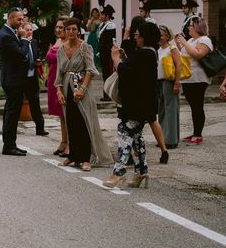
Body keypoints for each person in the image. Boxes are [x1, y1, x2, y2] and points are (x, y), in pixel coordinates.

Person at [103, 22, 160, 188]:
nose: (135, 37)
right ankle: (141, 170)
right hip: (142, 104)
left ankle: (118, 171)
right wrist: (125, 58)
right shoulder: (149, 53)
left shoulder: (144, 54)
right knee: (136, 137)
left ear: (144, 36)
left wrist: (115, 58)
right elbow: (134, 70)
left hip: (136, 105)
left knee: (124, 133)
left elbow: (126, 71)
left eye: (137, 34)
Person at [56, 18, 112, 171]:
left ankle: (86, 157)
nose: (71, 32)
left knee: (84, 120)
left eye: (74, 29)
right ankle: (73, 155)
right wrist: (59, 90)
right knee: (71, 121)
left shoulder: (85, 47)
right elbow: (59, 72)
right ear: (65, 31)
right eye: (68, 29)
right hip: (67, 86)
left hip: (81, 85)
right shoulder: (61, 49)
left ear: (78, 30)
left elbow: (91, 69)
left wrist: (82, 88)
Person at [0, 8, 29, 157]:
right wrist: (24, 39)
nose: (22, 22)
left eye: (23, 19)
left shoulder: (9, 32)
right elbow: (20, 53)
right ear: (10, 18)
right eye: (19, 19)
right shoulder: (6, 35)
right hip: (12, 80)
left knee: (10, 113)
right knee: (12, 113)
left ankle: (10, 144)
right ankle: (9, 146)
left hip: (13, 79)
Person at [175, 17, 213, 145]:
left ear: (197, 27)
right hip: (188, 78)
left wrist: (184, 43)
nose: (188, 27)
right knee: (193, 107)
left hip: (199, 78)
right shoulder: (191, 40)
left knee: (197, 106)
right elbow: (185, 55)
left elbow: (198, 55)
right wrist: (179, 44)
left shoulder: (205, 40)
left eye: (191, 25)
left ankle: (198, 135)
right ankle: (195, 132)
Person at [157, 25, 181, 156]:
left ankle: (171, 139)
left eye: (161, 34)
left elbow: (178, 65)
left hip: (169, 81)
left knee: (171, 110)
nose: (159, 37)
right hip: (159, 82)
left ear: (167, 36)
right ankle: (162, 138)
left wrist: (177, 82)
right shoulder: (159, 50)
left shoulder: (172, 48)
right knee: (161, 110)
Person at [46, 17, 69, 157]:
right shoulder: (58, 41)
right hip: (53, 78)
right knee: (60, 114)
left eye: (61, 27)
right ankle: (63, 141)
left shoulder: (69, 43)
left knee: (66, 113)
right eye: (57, 27)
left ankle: (70, 144)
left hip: (63, 80)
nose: (58, 30)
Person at [21, 22, 48, 137]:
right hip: (22, 77)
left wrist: (38, 61)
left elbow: (37, 55)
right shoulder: (20, 42)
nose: (29, 32)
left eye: (31, 30)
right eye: (27, 30)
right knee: (17, 102)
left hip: (32, 76)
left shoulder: (34, 42)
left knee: (35, 102)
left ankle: (40, 127)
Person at [97, 5, 117, 101]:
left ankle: (108, 95)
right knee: (104, 74)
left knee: (108, 74)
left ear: (107, 16)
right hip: (102, 53)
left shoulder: (110, 25)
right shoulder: (102, 25)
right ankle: (105, 94)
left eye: (102, 14)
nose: (100, 16)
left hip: (108, 53)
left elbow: (110, 41)